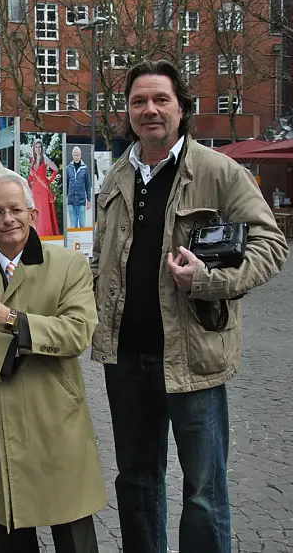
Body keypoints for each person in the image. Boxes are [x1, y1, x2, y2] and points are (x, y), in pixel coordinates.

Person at [91, 59, 289, 553]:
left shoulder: (219, 171)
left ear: (182, 109)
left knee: (203, 490)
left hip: (193, 358)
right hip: (126, 358)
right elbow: (101, 255)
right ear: (128, 112)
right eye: (139, 101)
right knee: (136, 481)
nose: (150, 110)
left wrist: (209, 280)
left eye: (161, 100)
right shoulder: (117, 175)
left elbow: (271, 244)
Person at [0, 173, 106, 553]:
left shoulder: (69, 265)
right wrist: (9, 351)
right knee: (10, 524)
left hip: (54, 413)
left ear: (33, 214)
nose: (8, 219)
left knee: (71, 522)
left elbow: (78, 332)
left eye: (16, 209)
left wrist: (12, 320)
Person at [26, 139, 60, 237]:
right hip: (35, 190)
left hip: (44, 189)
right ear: (34, 148)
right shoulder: (32, 160)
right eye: (36, 147)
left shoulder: (45, 158)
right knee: (36, 212)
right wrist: (27, 185)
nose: (38, 149)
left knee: (44, 213)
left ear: (42, 148)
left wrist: (48, 181)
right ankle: (38, 235)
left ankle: (46, 235)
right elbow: (31, 175)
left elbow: (56, 169)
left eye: (39, 147)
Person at [66, 146, 91, 228]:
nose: (76, 157)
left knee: (82, 225)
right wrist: (66, 198)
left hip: (81, 200)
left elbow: (88, 185)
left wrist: (89, 200)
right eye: (75, 155)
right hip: (71, 200)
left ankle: (82, 241)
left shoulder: (85, 168)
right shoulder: (68, 168)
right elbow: (66, 184)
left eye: (78, 155)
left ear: (80, 155)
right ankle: (74, 241)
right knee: (73, 226)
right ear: (73, 155)